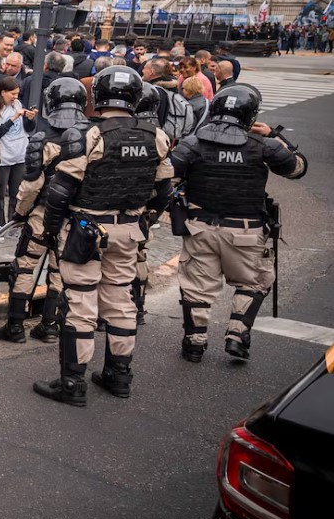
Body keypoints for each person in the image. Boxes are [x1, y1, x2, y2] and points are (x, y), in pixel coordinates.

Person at [33, 66, 173, 406]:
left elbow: (59, 192)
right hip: (128, 230)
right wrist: (143, 221)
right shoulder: (156, 136)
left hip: (86, 230)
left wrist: (51, 231)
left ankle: (72, 383)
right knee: (121, 300)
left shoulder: (86, 135)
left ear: (98, 94)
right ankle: (119, 375)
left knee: (80, 303)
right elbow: (164, 191)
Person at [171, 85, 307, 363]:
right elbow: (298, 168)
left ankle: (194, 342)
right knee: (253, 281)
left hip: (200, 228)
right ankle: (237, 334)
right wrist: (274, 135)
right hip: (246, 230)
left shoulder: (192, 144)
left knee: (197, 286)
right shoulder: (264, 146)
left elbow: (165, 180)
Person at [0, 78, 89, 345]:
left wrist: (20, 213)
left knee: (24, 267)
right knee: (59, 270)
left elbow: (31, 184)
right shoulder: (93, 137)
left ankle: (15, 326)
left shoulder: (42, 139)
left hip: (42, 213)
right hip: (74, 218)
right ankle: (50, 326)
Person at [0, 77, 31, 229]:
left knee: (16, 193)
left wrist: (30, 119)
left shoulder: (17, 104)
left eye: (17, 93)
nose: (16, 97)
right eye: (13, 94)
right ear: (3, 93)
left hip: (19, 155)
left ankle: (13, 224)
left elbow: (27, 129)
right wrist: (14, 118)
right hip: (3, 157)